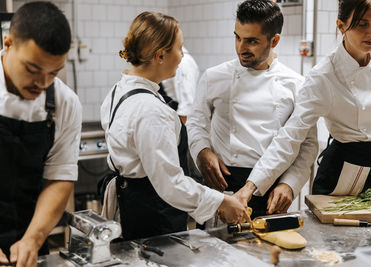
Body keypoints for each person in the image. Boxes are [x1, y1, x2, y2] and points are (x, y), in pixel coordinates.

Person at [100, 11, 249, 241]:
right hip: (154, 217)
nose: (182, 56)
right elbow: (171, 184)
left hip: (131, 204)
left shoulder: (118, 91)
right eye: (180, 48)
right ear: (160, 55)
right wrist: (221, 202)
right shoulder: (150, 111)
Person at [234, 0, 371, 204]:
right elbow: (292, 135)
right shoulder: (323, 76)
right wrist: (252, 185)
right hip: (344, 171)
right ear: (341, 26)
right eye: (362, 24)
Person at [187, 0, 318, 218]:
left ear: (274, 40)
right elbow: (196, 122)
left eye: (252, 41)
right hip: (222, 185)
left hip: (270, 190)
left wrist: (289, 184)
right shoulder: (214, 76)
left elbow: (308, 145)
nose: (241, 48)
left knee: (268, 252)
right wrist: (202, 151)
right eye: (237, 37)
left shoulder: (296, 85)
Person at [0, 2, 82, 267]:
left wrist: (32, 240)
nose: (42, 83)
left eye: (54, 73)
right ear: (8, 43)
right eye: (33, 70)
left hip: (30, 234)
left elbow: (59, 176)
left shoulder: (64, 103)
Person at [161, 46, 200, 124]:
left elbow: (187, 103)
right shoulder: (169, 58)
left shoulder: (183, 63)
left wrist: (179, 133)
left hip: (176, 115)